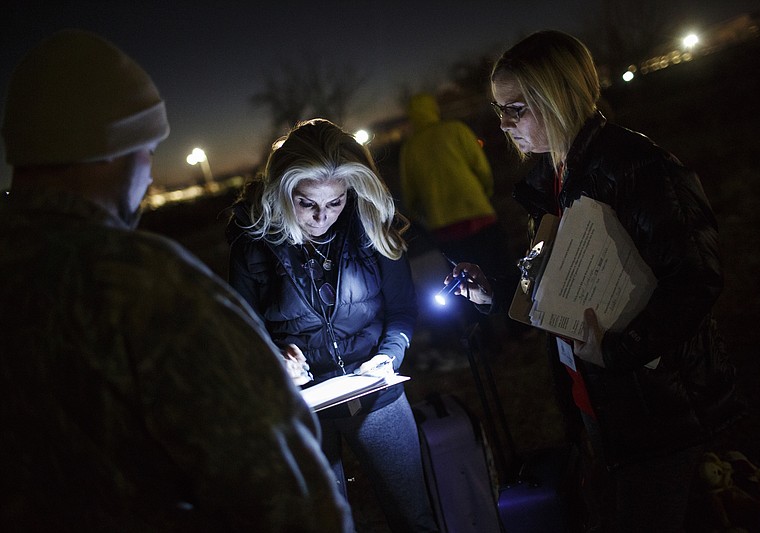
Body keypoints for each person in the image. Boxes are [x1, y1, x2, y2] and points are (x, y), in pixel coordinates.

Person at [0, 30, 353, 532]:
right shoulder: (142, 285)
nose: (148, 177)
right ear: (111, 150)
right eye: (147, 152)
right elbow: (283, 492)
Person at [446, 30, 743, 532]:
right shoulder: (551, 180)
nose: (503, 123)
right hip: (596, 404)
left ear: (557, 97)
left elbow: (696, 278)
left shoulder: (637, 167)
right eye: (499, 110)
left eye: (516, 108)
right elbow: (563, 280)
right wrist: (495, 290)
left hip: (656, 407)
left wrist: (618, 350)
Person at [226, 118, 439, 532]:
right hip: (301, 406)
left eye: (336, 202)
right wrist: (273, 358)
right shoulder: (252, 240)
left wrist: (386, 358)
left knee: (414, 517)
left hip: (375, 392)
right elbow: (241, 329)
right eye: (307, 203)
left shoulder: (370, 222)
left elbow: (401, 311)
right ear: (284, 191)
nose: (322, 217)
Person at [399, 92, 516, 368]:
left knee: (464, 284)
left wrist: (424, 216)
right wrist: (484, 193)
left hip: (445, 228)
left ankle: (486, 342)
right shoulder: (456, 130)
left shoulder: (410, 149)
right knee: (501, 270)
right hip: (480, 216)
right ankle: (519, 331)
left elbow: (410, 195)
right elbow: (481, 167)